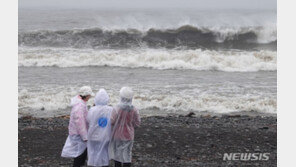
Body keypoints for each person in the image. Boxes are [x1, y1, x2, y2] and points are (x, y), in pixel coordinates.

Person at [61, 86, 94, 167]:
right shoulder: (80, 106)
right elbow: (80, 123)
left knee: (80, 154)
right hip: (78, 134)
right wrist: (85, 136)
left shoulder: (80, 103)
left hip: (76, 132)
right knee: (80, 155)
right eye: (89, 95)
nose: (90, 97)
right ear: (86, 95)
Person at [109, 87, 141, 167]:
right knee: (127, 154)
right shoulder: (134, 109)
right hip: (129, 135)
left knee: (117, 154)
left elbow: (112, 121)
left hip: (117, 135)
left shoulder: (116, 108)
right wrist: (131, 126)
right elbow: (137, 123)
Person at [87, 89, 114, 167]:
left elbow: (88, 120)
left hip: (93, 134)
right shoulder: (110, 109)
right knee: (104, 152)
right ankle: (104, 164)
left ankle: (94, 164)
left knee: (93, 152)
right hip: (105, 135)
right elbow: (112, 121)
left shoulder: (92, 110)